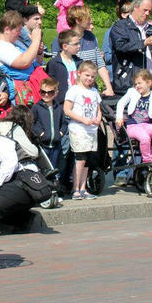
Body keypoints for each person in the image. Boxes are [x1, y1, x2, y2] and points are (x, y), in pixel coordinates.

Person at [52, 6, 115, 96]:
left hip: (90, 89)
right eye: (88, 18)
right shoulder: (61, 39)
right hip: (69, 92)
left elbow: (100, 64)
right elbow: (56, 69)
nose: (91, 20)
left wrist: (108, 87)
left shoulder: (91, 37)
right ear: (78, 21)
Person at [0, 10, 49, 106]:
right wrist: (36, 40)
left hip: (31, 92)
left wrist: (39, 51)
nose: (19, 34)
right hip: (19, 98)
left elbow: (37, 62)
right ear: (7, 29)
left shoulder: (15, 42)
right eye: (17, 31)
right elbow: (24, 62)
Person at [109, 0, 152, 95]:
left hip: (150, 84)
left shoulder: (151, 29)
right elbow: (120, 46)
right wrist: (144, 42)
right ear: (135, 7)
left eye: (150, 11)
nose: (147, 13)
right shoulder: (120, 26)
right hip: (129, 83)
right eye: (145, 10)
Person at [64, 61, 102, 200]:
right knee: (80, 159)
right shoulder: (74, 90)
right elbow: (67, 110)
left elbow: (98, 109)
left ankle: (83, 188)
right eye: (87, 75)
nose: (90, 79)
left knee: (88, 159)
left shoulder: (93, 91)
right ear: (79, 74)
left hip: (92, 129)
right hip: (79, 128)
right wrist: (82, 119)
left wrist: (98, 118)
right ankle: (75, 188)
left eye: (92, 77)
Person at [115, 69, 152, 163]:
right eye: (135, 84)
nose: (137, 86)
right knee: (145, 138)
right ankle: (147, 160)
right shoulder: (132, 92)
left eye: (139, 83)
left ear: (149, 83)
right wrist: (119, 117)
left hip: (147, 125)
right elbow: (121, 103)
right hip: (133, 126)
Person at [31, 77, 67, 168]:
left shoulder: (59, 108)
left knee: (54, 168)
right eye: (43, 92)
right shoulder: (36, 107)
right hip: (43, 145)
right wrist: (41, 133)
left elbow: (64, 123)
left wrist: (60, 133)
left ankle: (55, 181)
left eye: (50, 92)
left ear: (56, 93)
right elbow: (32, 123)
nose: (46, 95)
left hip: (56, 145)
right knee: (43, 168)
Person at [45, 29, 82, 106]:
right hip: (61, 103)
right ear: (65, 46)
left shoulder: (79, 62)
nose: (79, 46)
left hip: (78, 101)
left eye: (79, 43)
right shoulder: (54, 63)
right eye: (75, 44)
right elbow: (50, 85)